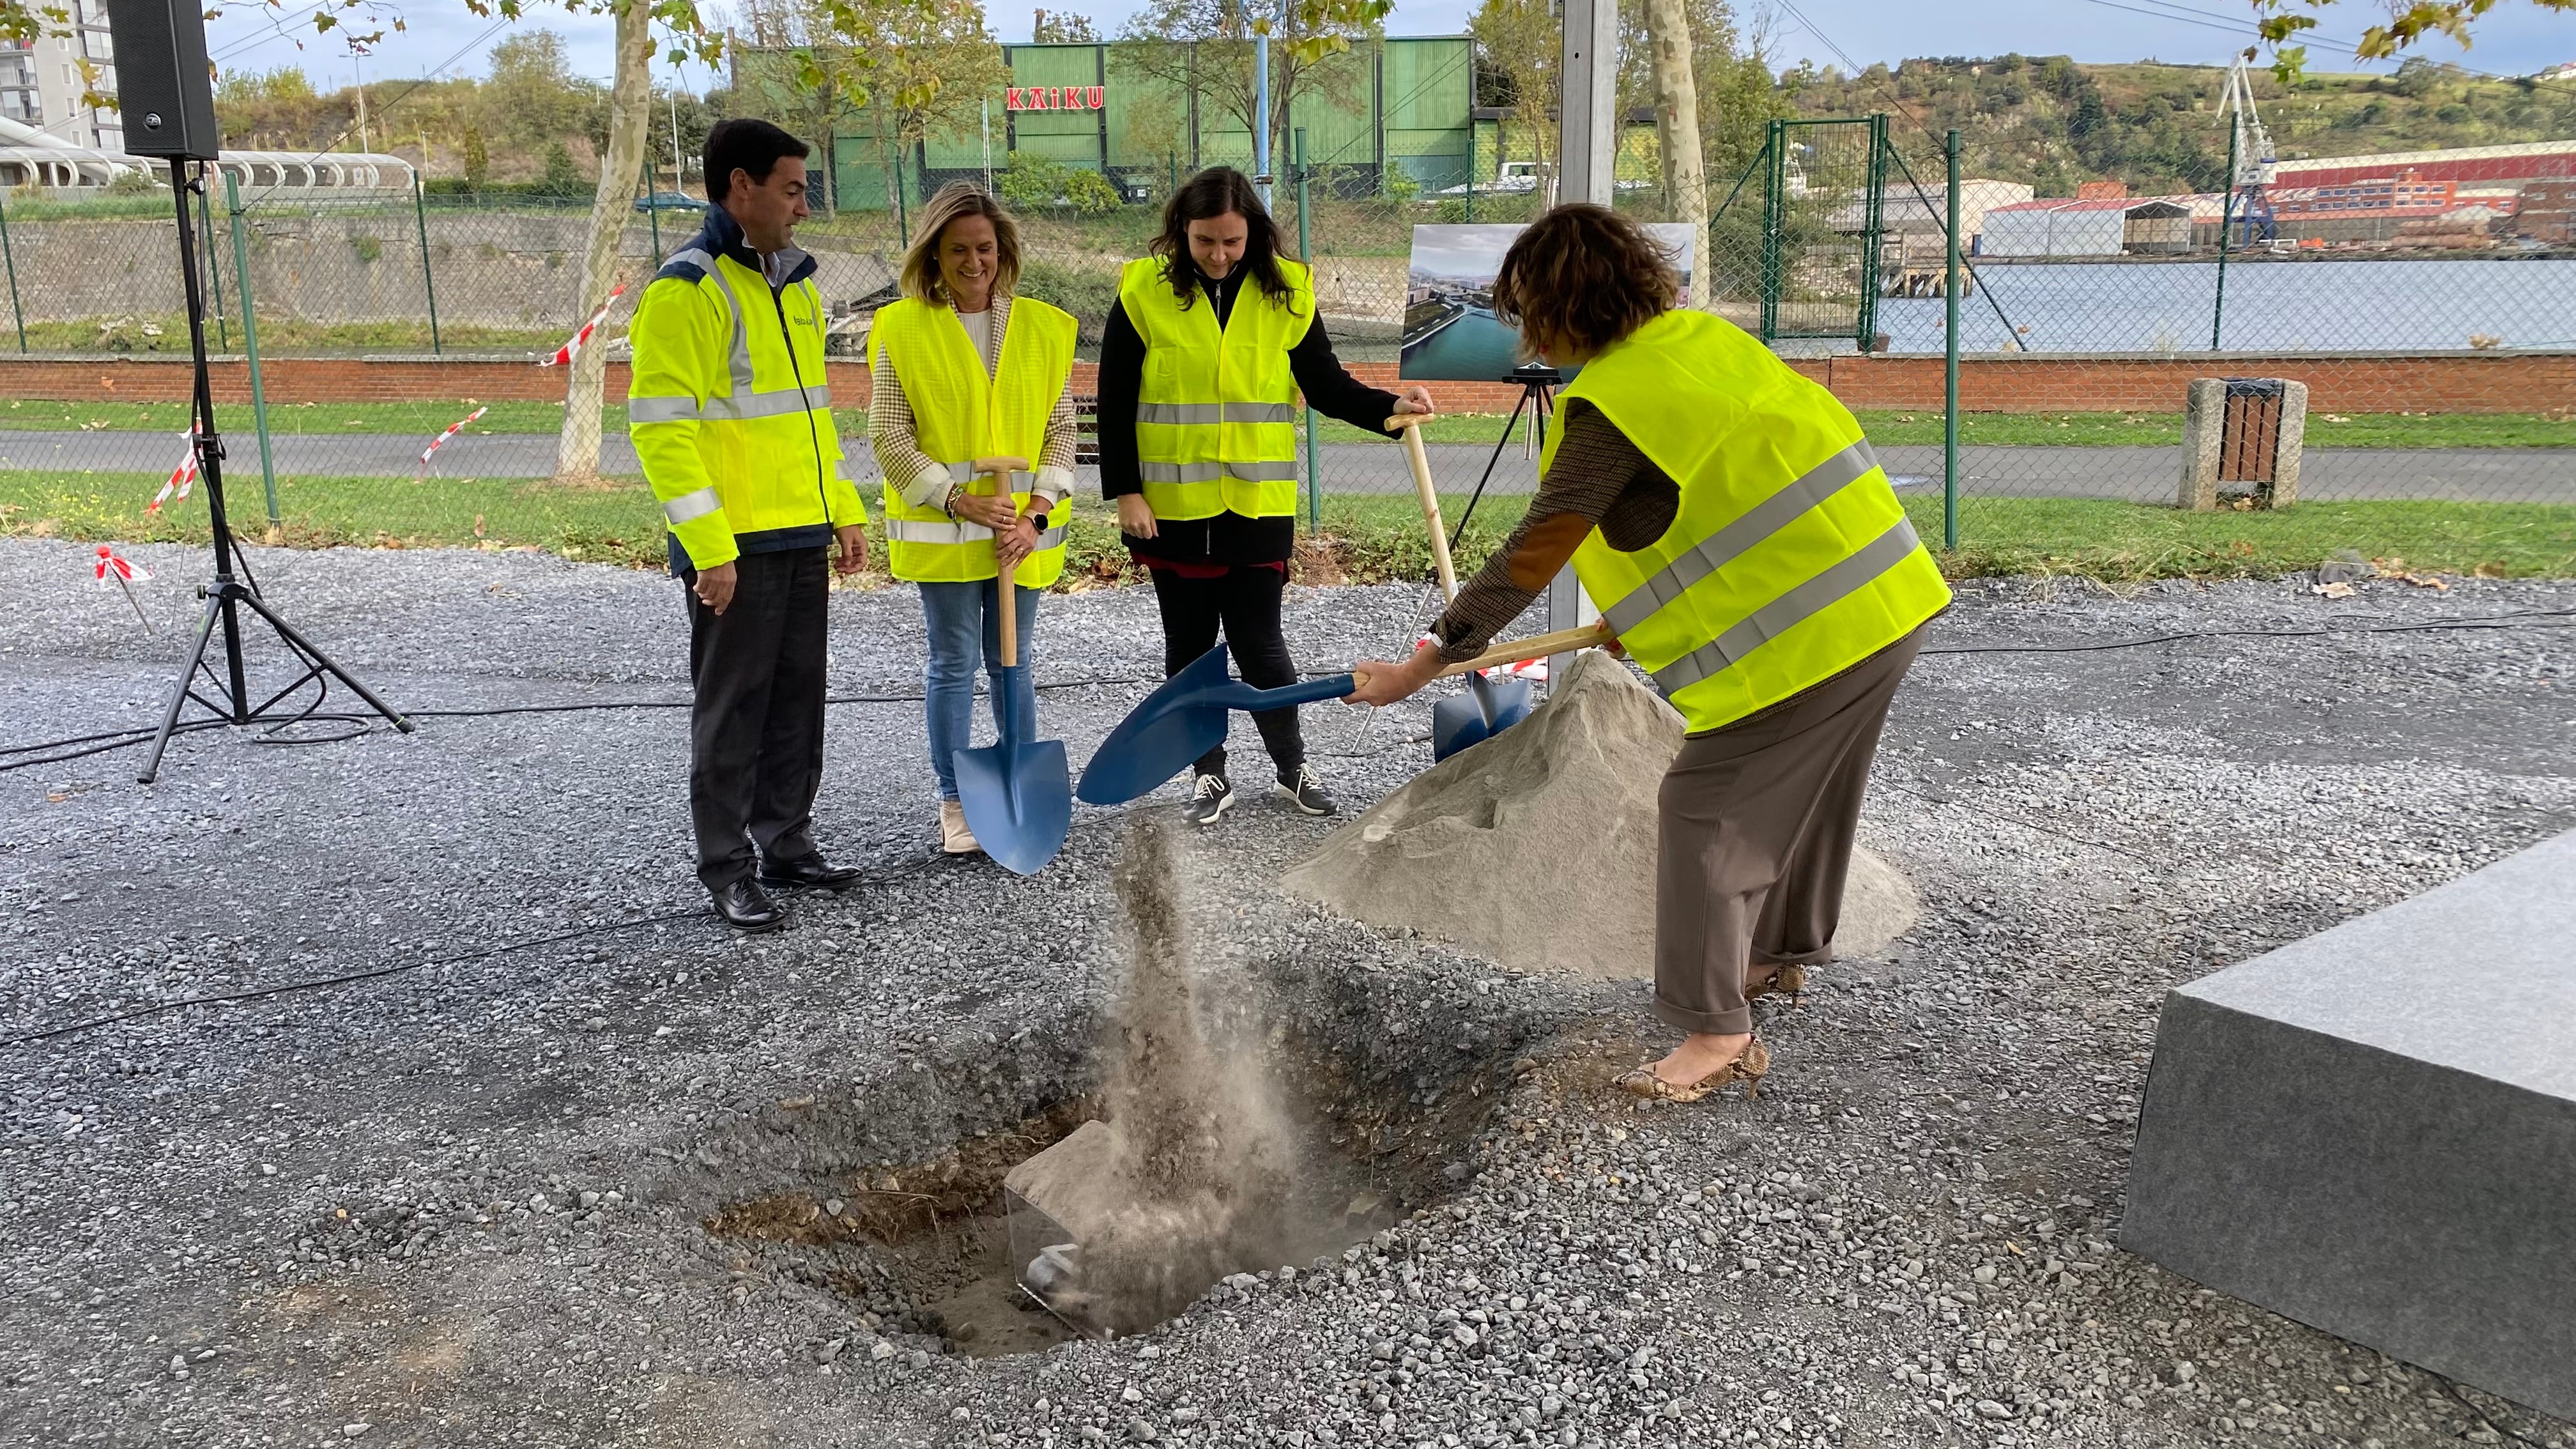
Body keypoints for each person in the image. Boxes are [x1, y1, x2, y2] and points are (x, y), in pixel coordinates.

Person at [1347, 204, 1951, 1103]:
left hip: (1810, 640)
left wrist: (1424, 661)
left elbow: (1531, 554)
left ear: (1561, 307)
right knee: (1814, 797)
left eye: (1526, 310)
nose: (1522, 329)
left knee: (1706, 813)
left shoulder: (1614, 405)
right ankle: (1774, 957)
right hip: (1887, 597)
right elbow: (1724, 487)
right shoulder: (1705, 343)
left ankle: (1718, 1034)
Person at [1100, 165, 1436, 826]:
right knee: (1190, 649)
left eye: (1231, 241)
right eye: (1204, 242)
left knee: (1261, 644)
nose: (1219, 255)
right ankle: (1209, 776)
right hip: (1171, 509)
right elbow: (1115, 402)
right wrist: (1126, 494)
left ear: (1253, 231)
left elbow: (1328, 386)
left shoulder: (1289, 294)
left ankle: (1290, 767)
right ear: (1181, 234)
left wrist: (1390, 408)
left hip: (1255, 508)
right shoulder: (1142, 293)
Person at [629, 118, 871, 932]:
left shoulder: (796, 286)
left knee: (798, 703)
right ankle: (726, 867)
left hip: (801, 531)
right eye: (793, 188)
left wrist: (844, 512)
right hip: (735, 547)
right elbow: (662, 430)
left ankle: (787, 844)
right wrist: (710, 548)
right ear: (742, 187)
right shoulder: (686, 291)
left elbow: (809, 420)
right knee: (733, 709)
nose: (804, 206)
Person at [869, 183, 1081, 855]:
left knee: (1014, 662)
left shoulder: (1043, 329)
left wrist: (1036, 517)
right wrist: (957, 500)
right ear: (934, 254)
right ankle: (956, 800)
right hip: (945, 534)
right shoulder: (901, 328)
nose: (973, 262)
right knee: (954, 663)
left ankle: (1016, 782)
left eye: (984, 248)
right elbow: (889, 435)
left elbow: (1061, 431)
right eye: (957, 249)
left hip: (1021, 538)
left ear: (1003, 251)